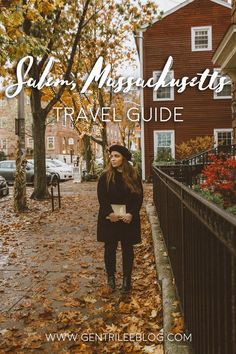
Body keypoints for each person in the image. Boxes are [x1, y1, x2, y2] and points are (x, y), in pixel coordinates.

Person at [97, 144, 143, 293]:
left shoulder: (133, 176)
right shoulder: (105, 176)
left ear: (123, 158)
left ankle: (126, 281)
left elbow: (138, 197)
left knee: (127, 250)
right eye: (111, 156)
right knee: (110, 249)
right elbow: (102, 197)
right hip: (110, 219)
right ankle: (110, 279)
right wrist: (109, 213)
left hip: (127, 219)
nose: (113, 159)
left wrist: (131, 213)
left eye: (116, 156)